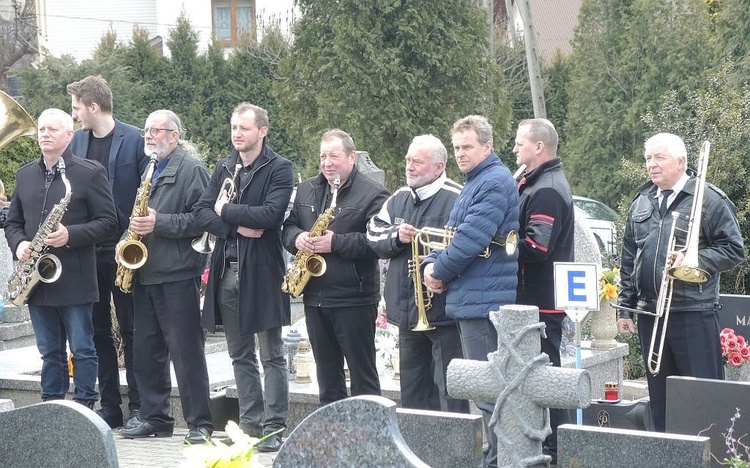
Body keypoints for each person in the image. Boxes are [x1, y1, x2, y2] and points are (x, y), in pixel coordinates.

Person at [616, 133, 744, 432]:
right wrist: (624, 308)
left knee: (702, 397)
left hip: (693, 312)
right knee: (661, 399)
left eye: (659, 157)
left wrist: (693, 260)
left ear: (681, 161)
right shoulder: (642, 201)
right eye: (648, 158)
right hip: (652, 313)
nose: (651, 164)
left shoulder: (709, 198)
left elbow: (734, 248)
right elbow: (628, 256)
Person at [194, 103, 294, 452]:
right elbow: (201, 212)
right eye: (234, 127)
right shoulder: (224, 165)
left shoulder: (280, 168)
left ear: (262, 131)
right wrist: (236, 224)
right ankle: (250, 424)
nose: (237, 133)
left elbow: (270, 215)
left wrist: (224, 211)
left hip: (262, 274)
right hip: (226, 273)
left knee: (272, 355)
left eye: (244, 128)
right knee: (240, 355)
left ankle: (275, 426)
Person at [422, 115, 519, 468]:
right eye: (457, 147)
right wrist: (429, 266)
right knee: (484, 388)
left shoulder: (492, 181)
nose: (460, 153)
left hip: (484, 300)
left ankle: (501, 460)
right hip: (472, 295)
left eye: (467, 147)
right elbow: (449, 233)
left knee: (489, 389)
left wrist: (438, 270)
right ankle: (495, 457)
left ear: (487, 146)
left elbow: (470, 240)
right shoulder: (476, 181)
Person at [4, 108, 118, 408]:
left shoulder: (90, 172)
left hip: (76, 278)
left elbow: (109, 222)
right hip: (37, 280)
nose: (45, 134)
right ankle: (50, 407)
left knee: (82, 349)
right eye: (41, 129)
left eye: (52, 129)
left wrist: (71, 234)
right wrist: (19, 245)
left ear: (69, 135)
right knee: (49, 352)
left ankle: (84, 407)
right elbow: (13, 222)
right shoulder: (25, 173)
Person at [118, 110, 213, 444]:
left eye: (155, 130)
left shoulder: (192, 169)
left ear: (174, 135)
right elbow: (138, 216)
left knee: (186, 353)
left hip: (176, 274)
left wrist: (161, 223)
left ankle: (200, 423)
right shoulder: (150, 168)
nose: (147, 136)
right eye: (146, 130)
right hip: (146, 274)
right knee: (146, 351)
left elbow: (203, 220)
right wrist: (125, 241)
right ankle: (156, 418)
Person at [282, 129, 389, 406]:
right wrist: (297, 238)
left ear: (352, 157)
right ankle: (334, 439)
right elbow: (288, 227)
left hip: (354, 298)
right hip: (315, 297)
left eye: (334, 156)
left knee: (363, 376)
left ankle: (369, 440)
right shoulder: (307, 188)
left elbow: (377, 243)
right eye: (323, 156)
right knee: (327, 377)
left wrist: (336, 243)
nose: (327, 162)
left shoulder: (374, 193)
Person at [67, 75, 149, 429]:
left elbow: (149, 187)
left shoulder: (134, 138)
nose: (74, 116)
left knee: (132, 330)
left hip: (126, 249)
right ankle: (111, 406)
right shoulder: (76, 142)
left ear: (93, 106)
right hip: (90, 250)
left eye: (76, 108)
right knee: (98, 331)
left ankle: (139, 407)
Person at [366, 134, 469, 413]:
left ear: (438, 167)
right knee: (412, 390)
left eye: (417, 162)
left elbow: (468, 248)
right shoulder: (398, 197)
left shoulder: (457, 197)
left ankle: (455, 452)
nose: (409, 167)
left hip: (445, 314)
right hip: (408, 314)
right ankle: (415, 447)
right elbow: (372, 234)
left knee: (449, 389)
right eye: (408, 160)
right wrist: (395, 237)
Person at [512, 118, 574, 463]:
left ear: (539, 147)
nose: (515, 149)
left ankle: (557, 448)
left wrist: (499, 244)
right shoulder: (535, 182)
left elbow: (536, 247)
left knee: (546, 375)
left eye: (520, 143)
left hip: (541, 301)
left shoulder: (547, 188)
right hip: (535, 298)